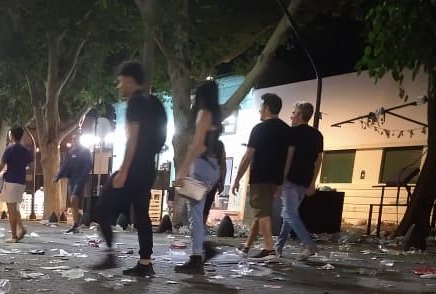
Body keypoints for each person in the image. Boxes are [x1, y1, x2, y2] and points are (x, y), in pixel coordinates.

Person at [93, 61, 167, 275]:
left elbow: (132, 139)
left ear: (129, 80)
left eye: (120, 81)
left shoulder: (135, 103)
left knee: (102, 208)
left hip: (134, 167)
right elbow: (161, 135)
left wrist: (124, 170)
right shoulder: (155, 102)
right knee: (142, 213)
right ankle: (145, 263)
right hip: (148, 166)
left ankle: (110, 255)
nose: (118, 87)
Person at [172, 80, 223, 274]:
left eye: (195, 94)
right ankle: (204, 250)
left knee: (192, 214)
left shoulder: (203, 114)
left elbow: (198, 145)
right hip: (211, 167)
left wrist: (183, 169)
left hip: (201, 166)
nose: (193, 98)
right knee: (192, 212)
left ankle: (197, 257)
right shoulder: (215, 116)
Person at [231, 92, 289, 259]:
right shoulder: (286, 130)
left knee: (262, 213)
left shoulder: (259, 129)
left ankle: (269, 249)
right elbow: (289, 157)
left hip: (260, 177)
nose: (259, 110)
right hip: (276, 178)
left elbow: (248, 156)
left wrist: (237, 179)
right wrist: (282, 181)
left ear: (268, 108)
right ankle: (246, 247)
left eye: (261, 107)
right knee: (261, 212)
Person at [277, 101, 323, 260]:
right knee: (290, 214)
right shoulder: (317, 135)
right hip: (305, 181)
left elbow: (288, 156)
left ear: (300, 115)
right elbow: (318, 160)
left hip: (291, 179)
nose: (291, 115)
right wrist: (313, 182)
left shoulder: (292, 132)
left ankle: (308, 244)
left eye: (294, 112)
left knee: (289, 213)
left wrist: (281, 179)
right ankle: (278, 248)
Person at [0, 126, 32, 242]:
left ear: (11, 135)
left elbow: (1, 165)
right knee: (15, 207)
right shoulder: (25, 150)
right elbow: (28, 161)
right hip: (21, 182)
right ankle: (21, 228)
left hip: (11, 180)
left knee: (11, 209)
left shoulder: (10, 149)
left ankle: (14, 236)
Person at [55, 136, 92, 232]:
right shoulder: (71, 152)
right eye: (73, 139)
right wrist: (57, 177)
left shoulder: (85, 151)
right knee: (72, 201)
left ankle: (77, 223)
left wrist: (84, 176)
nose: (74, 141)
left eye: (76, 139)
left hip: (80, 178)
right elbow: (65, 165)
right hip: (71, 179)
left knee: (74, 198)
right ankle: (75, 224)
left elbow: (89, 164)